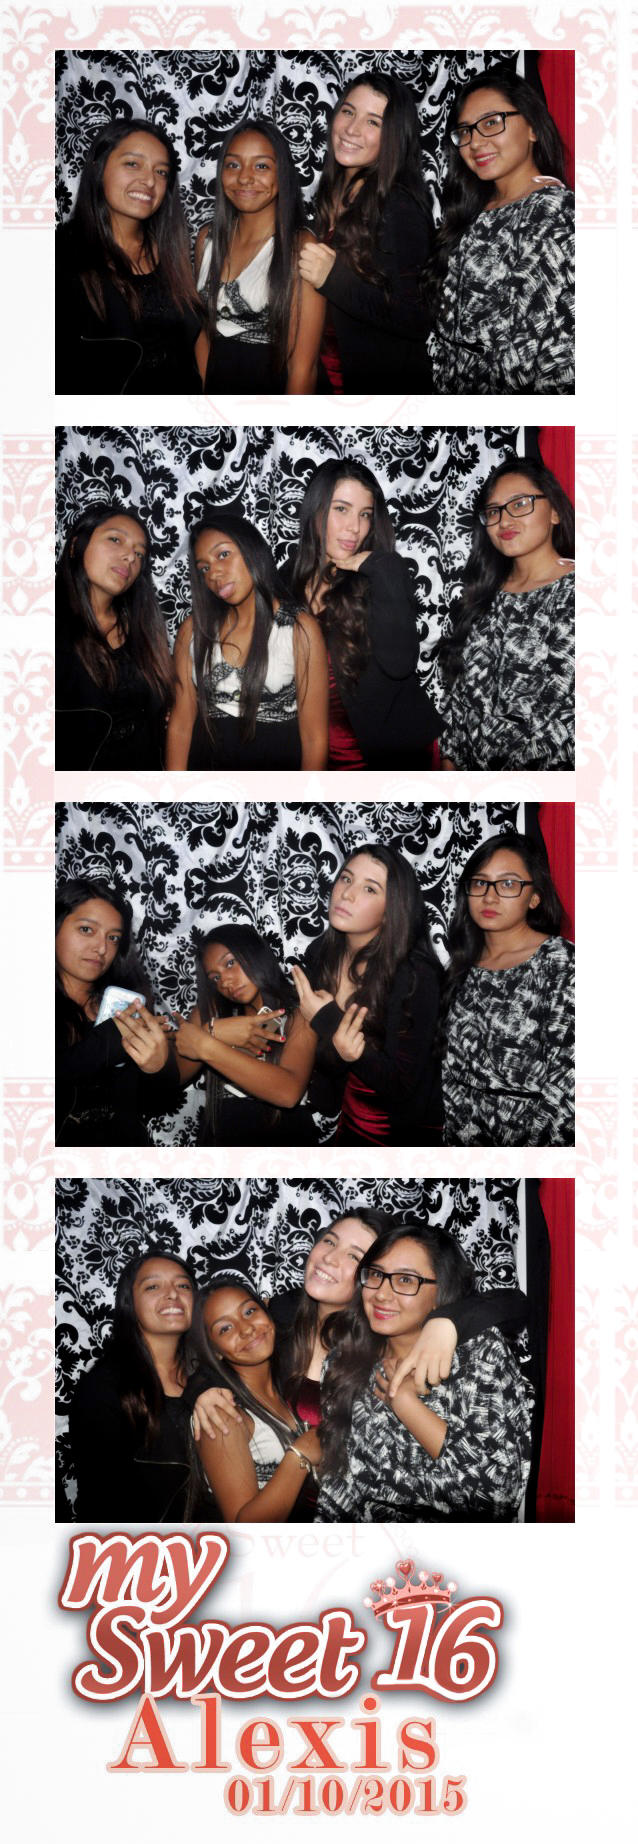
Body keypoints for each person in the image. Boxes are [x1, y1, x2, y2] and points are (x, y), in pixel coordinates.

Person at [317, 1224, 532, 1522]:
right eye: (376, 1274)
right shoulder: (344, 1362)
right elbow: (338, 1487)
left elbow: (497, 1496)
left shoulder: (478, 1355)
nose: (381, 1294)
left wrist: (405, 1404)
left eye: (406, 1280)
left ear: (440, 1292)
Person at [426, 67, 574, 393]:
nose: (476, 142)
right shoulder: (472, 210)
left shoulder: (554, 213)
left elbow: (556, 354)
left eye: (492, 122)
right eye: (465, 131)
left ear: (533, 127)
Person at [290, 459, 440, 767]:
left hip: (393, 761)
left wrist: (382, 565)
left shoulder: (380, 577)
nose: (355, 527)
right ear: (315, 510)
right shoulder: (283, 585)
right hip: (320, 758)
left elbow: (399, 665)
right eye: (341, 509)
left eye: (365, 514)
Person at [291, 843, 443, 1146]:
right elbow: (328, 1062)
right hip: (346, 1122)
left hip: (398, 1135)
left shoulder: (416, 976)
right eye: (346, 879)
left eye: (370, 889)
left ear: (391, 910)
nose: (347, 894)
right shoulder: (321, 953)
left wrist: (329, 1021)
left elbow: (402, 1086)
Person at [299, 71, 433, 391]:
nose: (352, 128)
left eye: (373, 121)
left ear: (394, 136)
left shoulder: (399, 204)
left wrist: (333, 279)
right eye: (348, 111)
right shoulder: (333, 193)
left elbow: (417, 319)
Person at [437, 459, 575, 770]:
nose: (504, 520)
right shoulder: (480, 595)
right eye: (493, 511)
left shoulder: (584, 592)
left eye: (520, 504)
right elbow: (457, 703)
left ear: (554, 511)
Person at [440, 831, 575, 1145]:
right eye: (480, 883)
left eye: (508, 884)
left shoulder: (563, 964)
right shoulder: (460, 966)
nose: (490, 896)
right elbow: (448, 1078)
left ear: (535, 896)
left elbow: (568, 1089)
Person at [165, 514, 328, 770]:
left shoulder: (298, 629)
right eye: (204, 568)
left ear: (251, 550)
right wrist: (174, 789)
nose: (214, 573)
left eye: (223, 554)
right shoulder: (193, 631)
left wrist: (307, 793)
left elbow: (314, 738)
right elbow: (181, 724)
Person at [56, 117, 206, 394]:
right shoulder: (60, 254)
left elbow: (194, 338)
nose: (149, 180)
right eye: (132, 164)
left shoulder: (171, 251)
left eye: (161, 172)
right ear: (98, 167)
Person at [68, 1249, 205, 1521]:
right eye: (153, 1286)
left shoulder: (208, 1376)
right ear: (129, 1302)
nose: (172, 1294)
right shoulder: (104, 1389)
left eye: (183, 1286)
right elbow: (102, 1505)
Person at [195, 117, 325, 392]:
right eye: (233, 165)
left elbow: (304, 368)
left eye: (262, 166)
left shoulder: (300, 246)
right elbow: (204, 333)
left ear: (282, 174)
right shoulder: (207, 238)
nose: (244, 177)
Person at [56, 878, 178, 1146]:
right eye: (86, 929)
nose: (102, 948)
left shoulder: (126, 1006)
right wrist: (109, 1039)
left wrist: (158, 1067)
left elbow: (153, 1104)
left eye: (113, 938)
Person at [184, 1284, 321, 1521]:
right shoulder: (221, 1414)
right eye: (225, 1328)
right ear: (214, 1350)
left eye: (249, 1311)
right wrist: (300, 1455)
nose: (246, 1329)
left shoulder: (289, 1387)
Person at [171, 925, 316, 1146]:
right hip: (221, 1142)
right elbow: (173, 1078)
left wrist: (207, 1042)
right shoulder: (209, 1015)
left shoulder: (299, 1013)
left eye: (230, 963)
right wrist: (210, 1030)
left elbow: (288, 1093)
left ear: (255, 953)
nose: (225, 982)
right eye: (215, 978)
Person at [56, 501, 174, 769]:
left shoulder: (145, 630)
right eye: (115, 539)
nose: (130, 557)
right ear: (75, 546)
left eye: (139, 553)